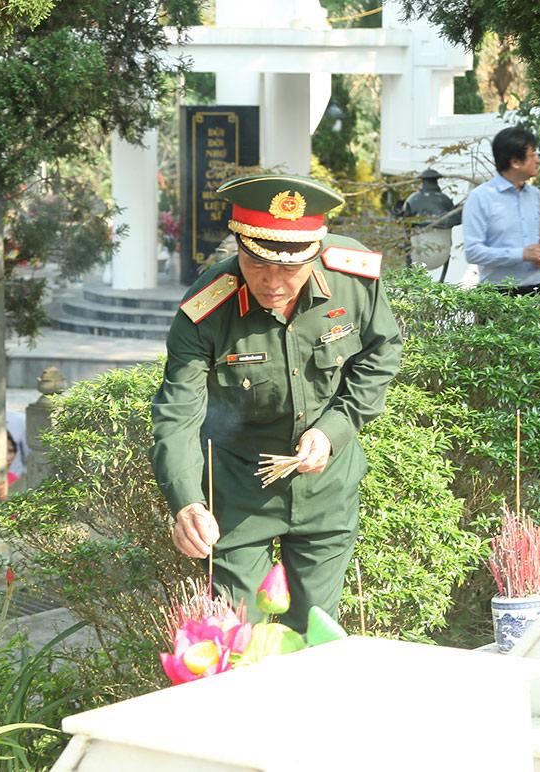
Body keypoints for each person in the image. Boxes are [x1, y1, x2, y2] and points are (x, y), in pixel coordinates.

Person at [150, 173, 403, 633]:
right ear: (238, 248)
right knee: (237, 636)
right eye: (257, 264)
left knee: (315, 630)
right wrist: (187, 503)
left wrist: (334, 429)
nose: (273, 283)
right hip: (238, 492)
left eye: (290, 269)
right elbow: (178, 413)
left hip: (326, 488)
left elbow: (381, 353)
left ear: (317, 252)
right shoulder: (206, 310)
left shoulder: (352, 278)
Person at [462, 125, 540, 295]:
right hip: (496, 295)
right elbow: (473, 252)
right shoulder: (480, 197)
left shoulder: (537, 196)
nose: (538, 160)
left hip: (536, 292)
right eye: (532, 155)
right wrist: (522, 254)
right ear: (515, 162)